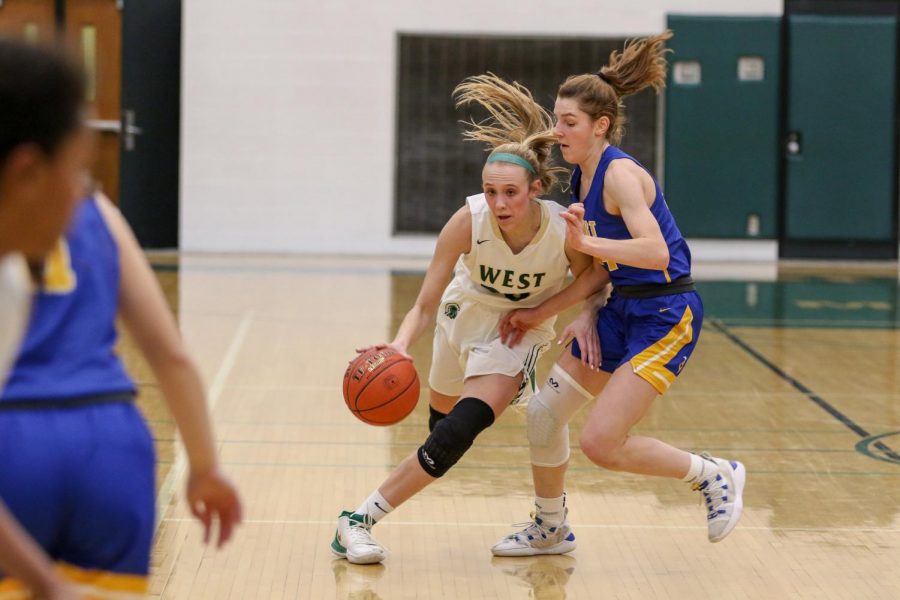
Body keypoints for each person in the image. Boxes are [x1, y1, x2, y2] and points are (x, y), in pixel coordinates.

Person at [331, 73, 603, 565]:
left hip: (517, 331)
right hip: (461, 317)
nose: (499, 203)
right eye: (491, 191)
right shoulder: (467, 220)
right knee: (440, 431)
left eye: (511, 193)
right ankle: (543, 510)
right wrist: (399, 344)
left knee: (460, 432)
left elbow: (593, 281)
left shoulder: (562, 229)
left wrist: (551, 312)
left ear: (535, 189)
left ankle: (356, 521)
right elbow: (425, 302)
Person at [491, 31, 746, 557]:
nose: (556, 130)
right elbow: (598, 274)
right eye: (556, 119)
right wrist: (572, 312)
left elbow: (654, 253)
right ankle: (550, 527)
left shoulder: (622, 175)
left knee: (600, 444)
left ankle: (713, 475)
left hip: (666, 312)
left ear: (600, 125)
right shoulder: (583, 182)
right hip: (619, 307)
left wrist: (588, 241)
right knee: (542, 413)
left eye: (568, 122)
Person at [0, 155, 243, 596]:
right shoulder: (94, 207)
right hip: (112, 441)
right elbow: (170, 354)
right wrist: (204, 466)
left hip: (13, 440)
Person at [0, 37, 92, 600]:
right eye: (78, 172)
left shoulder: (13, 284)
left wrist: (49, 586)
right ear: (29, 172)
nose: (83, 198)